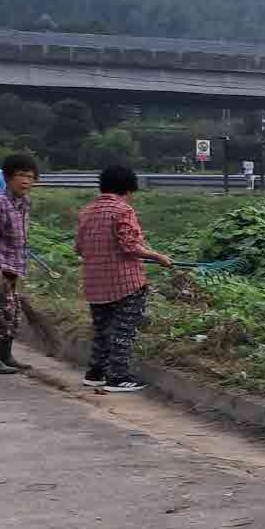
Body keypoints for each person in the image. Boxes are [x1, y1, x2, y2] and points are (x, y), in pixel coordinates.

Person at [74, 165, 175, 392]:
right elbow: (130, 246)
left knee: (102, 329)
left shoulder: (86, 211)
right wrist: (157, 256)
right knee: (123, 330)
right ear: (128, 189)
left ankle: (95, 373)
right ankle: (118, 377)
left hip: (95, 284)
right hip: (126, 283)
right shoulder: (123, 211)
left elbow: (79, 248)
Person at [0, 152, 37, 374]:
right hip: (1, 266)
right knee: (1, 313)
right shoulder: (0, 203)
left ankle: (5, 356)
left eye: (30, 176)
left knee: (11, 314)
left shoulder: (24, 203)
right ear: (8, 177)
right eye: (21, 175)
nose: (26, 181)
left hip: (14, 266)